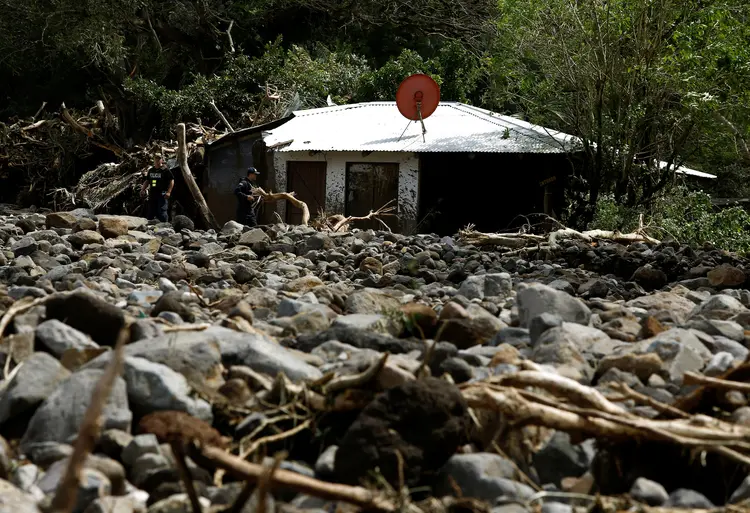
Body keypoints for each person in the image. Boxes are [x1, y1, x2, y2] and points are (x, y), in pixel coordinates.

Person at [140, 153, 174, 222]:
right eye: (156, 159)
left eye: (159, 159)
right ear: (154, 160)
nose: (157, 161)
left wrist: (169, 192)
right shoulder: (151, 170)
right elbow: (147, 181)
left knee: (162, 210)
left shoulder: (165, 170)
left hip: (162, 192)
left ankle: (165, 225)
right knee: (151, 210)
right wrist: (143, 189)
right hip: (152, 192)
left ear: (161, 160)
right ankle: (149, 226)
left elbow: (171, 180)